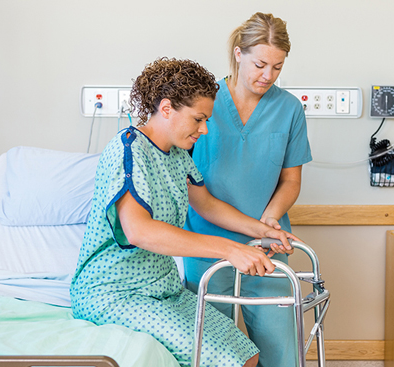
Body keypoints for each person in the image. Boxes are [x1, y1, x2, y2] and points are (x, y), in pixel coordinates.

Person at [70, 57, 299, 367]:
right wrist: (229, 249)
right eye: (198, 119)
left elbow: (205, 204)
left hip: (164, 290)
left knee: (248, 354)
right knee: (224, 360)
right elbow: (139, 230)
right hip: (115, 293)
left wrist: (264, 231)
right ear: (166, 109)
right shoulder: (128, 150)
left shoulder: (177, 155)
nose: (204, 130)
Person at [184, 13, 312, 367]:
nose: (267, 76)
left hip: (268, 247)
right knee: (212, 352)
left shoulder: (288, 109)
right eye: (259, 64)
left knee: (282, 348)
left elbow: (290, 180)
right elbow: (192, 188)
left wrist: (270, 220)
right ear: (238, 54)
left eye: (277, 67)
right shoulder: (203, 104)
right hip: (206, 245)